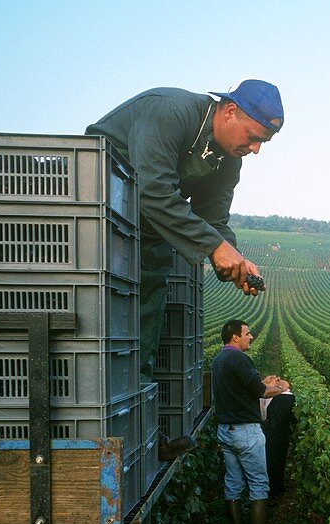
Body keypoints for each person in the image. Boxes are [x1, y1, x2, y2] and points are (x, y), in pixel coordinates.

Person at [86, 80, 283, 459]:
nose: (256, 149)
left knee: (144, 325)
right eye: (255, 137)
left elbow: (214, 220)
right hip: (99, 207)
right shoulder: (170, 110)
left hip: (145, 227)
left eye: (264, 143)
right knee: (100, 323)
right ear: (229, 112)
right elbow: (154, 189)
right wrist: (212, 246)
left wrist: (237, 259)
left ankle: (139, 439)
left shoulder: (229, 159)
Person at [212, 319, 289, 524]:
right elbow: (260, 391)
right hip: (246, 431)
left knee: (233, 484)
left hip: (226, 430)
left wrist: (260, 382)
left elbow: (243, 388)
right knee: (258, 483)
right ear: (235, 337)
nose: (251, 336)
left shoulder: (218, 360)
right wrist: (282, 388)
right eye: (247, 333)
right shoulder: (239, 358)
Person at [261, 388, 296, 498]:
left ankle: (272, 489)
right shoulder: (289, 397)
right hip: (280, 431)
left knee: (271, 457)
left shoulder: (267, 396)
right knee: (278, 456)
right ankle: (276, 487)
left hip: (270, 429)